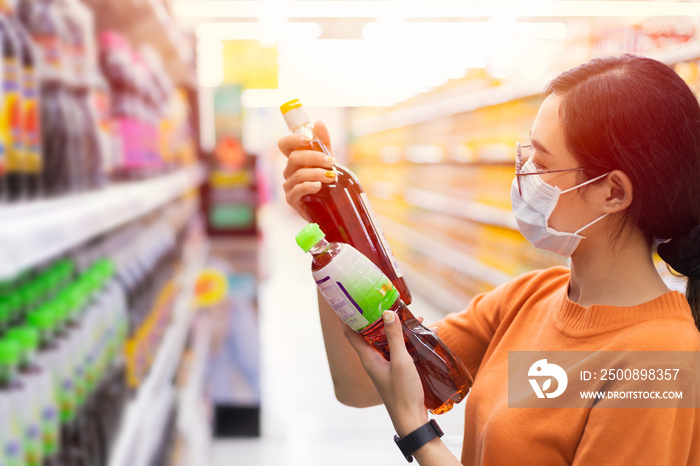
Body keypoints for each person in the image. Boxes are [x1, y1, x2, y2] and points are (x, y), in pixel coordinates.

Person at [277, 53, 700, 465]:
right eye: (527, 152)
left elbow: (402, 407)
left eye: (542, 161)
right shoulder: (529, 298)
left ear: (613, 192)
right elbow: (359, 386)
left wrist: (418, 436)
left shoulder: (663, 361)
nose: (523, 173)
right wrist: (331, 229)